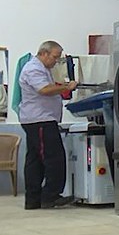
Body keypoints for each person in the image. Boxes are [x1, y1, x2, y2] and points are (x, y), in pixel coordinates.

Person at [19, 40, 77, 209]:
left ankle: (33, 200)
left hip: (37, 120)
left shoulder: (42, 69)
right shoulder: (33, 69)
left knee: (35, 160)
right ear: (44, 53)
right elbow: (44, 90)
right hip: (40, 121)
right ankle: (51, 196)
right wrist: (66, 87)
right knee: (54, 158)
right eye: (55, 57)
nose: (56, 61)